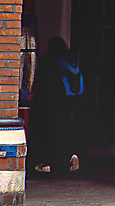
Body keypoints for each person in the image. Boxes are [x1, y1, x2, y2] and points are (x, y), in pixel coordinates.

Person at [30, 37, 84, 176]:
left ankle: (51, 163)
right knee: (65, 132)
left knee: (52, 134)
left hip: (53, 104)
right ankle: (67, 161)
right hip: (71, 102)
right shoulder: (69, 61)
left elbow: (43, 84)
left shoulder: (49, 61)